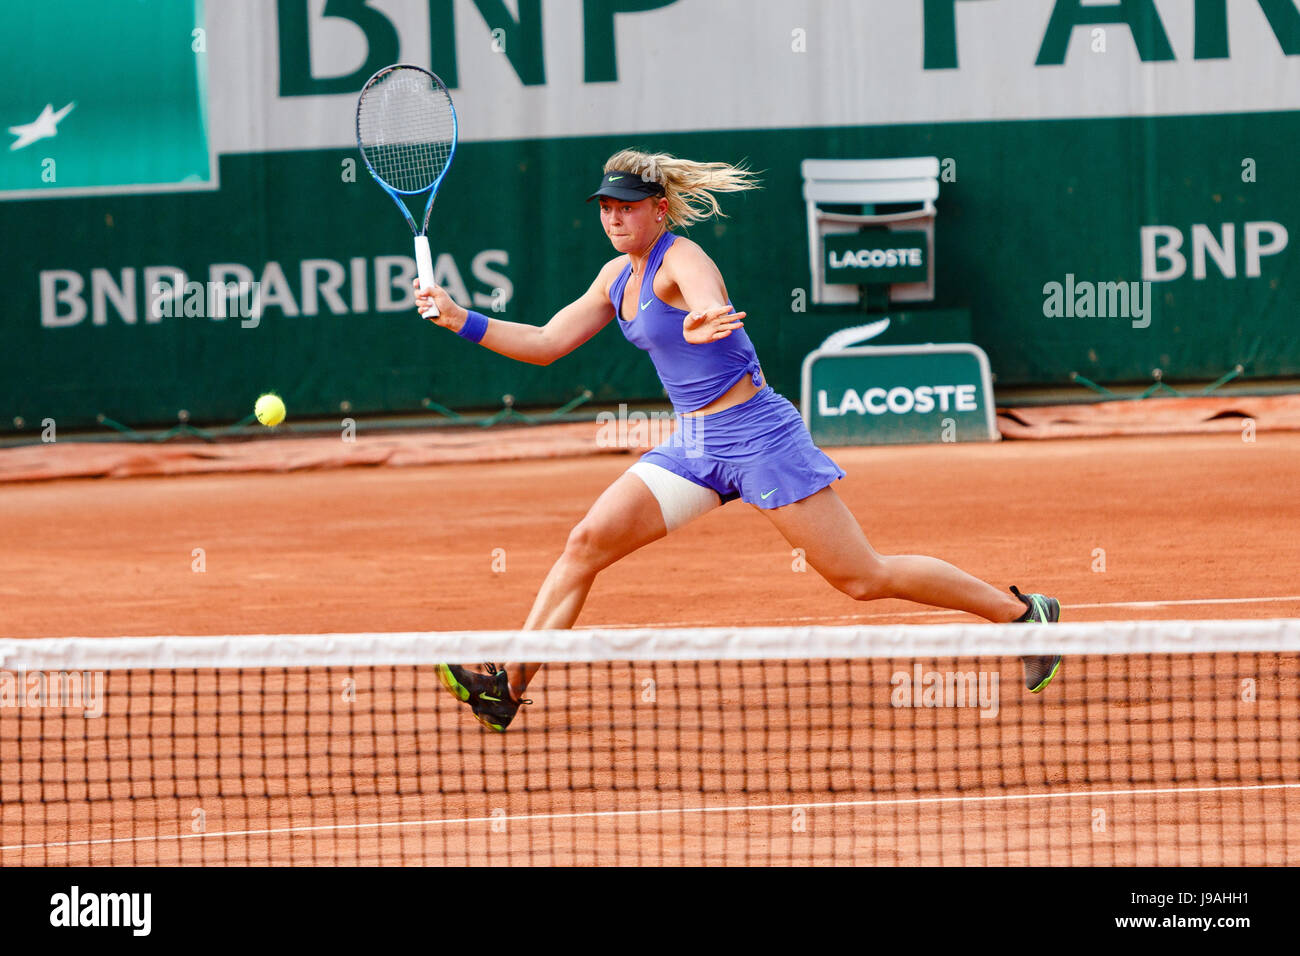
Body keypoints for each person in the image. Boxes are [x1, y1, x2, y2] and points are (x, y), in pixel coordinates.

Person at [414, 149, 1061, 732]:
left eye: (628, 207)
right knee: (585, 544)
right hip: (692, 447)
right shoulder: (616, 277)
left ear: (658, 210)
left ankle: (1022, 616)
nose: (615, 218)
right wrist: (459, 319)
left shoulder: (683, 258)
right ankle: (507, 687)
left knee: (863, 578)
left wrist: (705, 321)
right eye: (607, 207)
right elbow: (548, 343)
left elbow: (705, 299)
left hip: (758, 438)